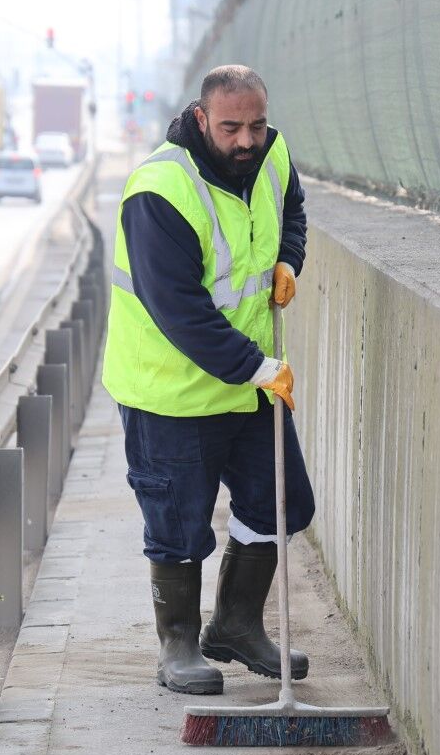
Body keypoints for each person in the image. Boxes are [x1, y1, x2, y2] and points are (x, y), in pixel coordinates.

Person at [102, 65, 314, 695]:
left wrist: (287, 260)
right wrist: (260, 369)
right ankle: (177, 645)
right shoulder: (160, 191)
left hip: (245, 385)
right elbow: (180, 312)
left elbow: (293, 210)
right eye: (231, 128)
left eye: (256, 124)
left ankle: (236, 624)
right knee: (178, 522)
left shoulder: (272, 157)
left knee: (281, 501)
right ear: (201, 118)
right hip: (169, 392)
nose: (247, 140)